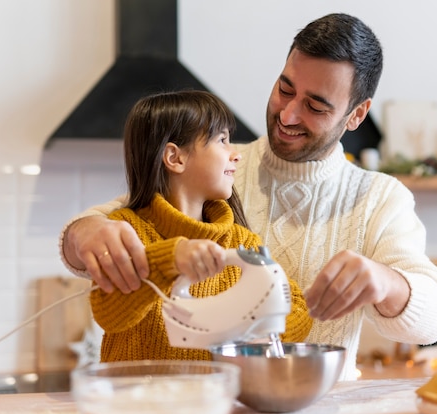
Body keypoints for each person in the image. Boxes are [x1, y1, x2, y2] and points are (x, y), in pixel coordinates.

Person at [59, 13, 437, 380]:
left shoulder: (380, 198)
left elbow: (432, 319)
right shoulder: (220, 171)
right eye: (285, 89)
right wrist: (85, 234)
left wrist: (386, 283)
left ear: (355, 115)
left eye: (315, 106)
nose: (288, 115)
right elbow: (115, 222)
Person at [89, 90, 312, 362]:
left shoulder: (241, 242)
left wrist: (246, 327)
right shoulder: (125, 230)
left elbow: (299, 311)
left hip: (215, 401)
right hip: (138, 401)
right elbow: (108, 313)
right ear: (175, 158)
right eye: (222, 140)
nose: (236, 155)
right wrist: (169, 259)